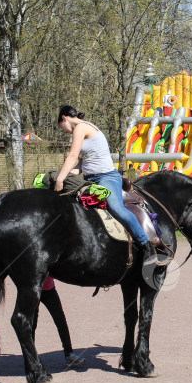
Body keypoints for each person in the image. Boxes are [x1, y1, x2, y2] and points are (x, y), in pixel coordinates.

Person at [55, 105, 159, 286]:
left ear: (64, 118)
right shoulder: (83, 130)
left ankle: (146, 245)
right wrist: (60, 176)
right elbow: (81, 164)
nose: (62, 131)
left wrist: (60, 180)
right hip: (91, 178)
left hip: (106, 178)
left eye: (60, 127)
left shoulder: (81, 128)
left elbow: (72, 155)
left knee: (116, 208)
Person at [33, 276, 84, 367]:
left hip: (49, 289)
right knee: (32, 324)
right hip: (33, 289)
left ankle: (69, 354)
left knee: (60, 320)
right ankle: (31, 357)